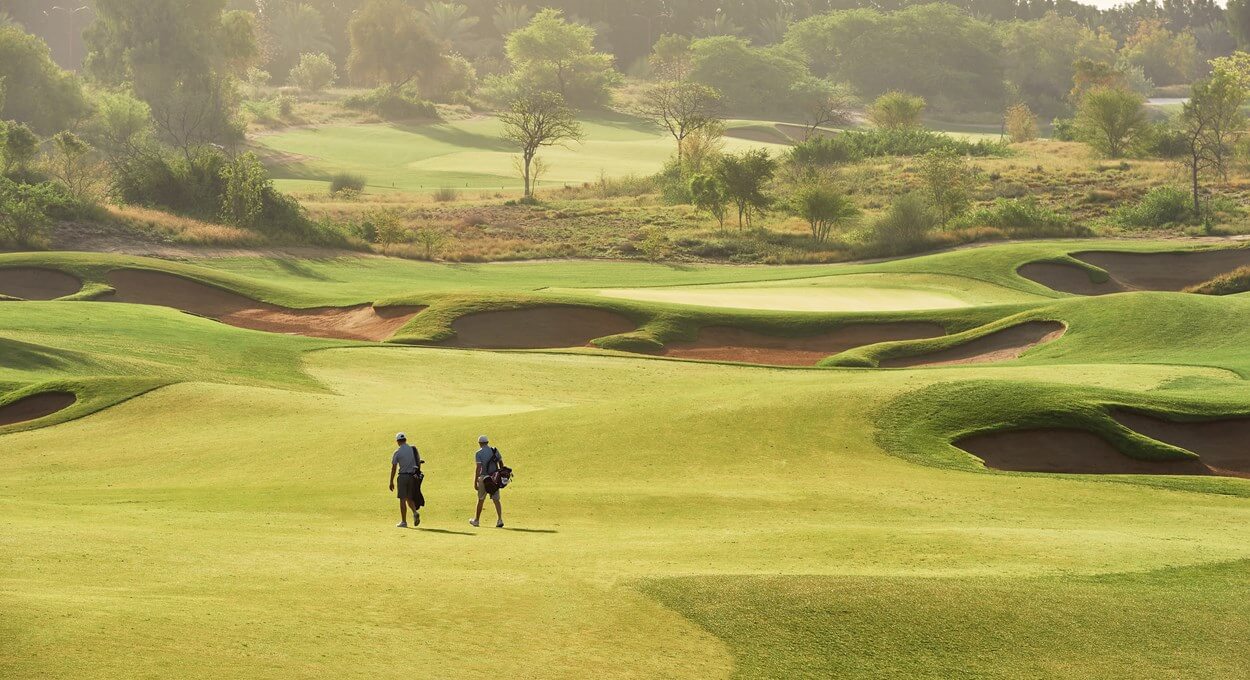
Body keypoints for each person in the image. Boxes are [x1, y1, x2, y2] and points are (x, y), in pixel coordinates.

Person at [388, 432, 423, 528]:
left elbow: (394, 468)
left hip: (403, 477)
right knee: (409, 498)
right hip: (412, 477)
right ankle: (415, 512)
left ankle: (404, 522)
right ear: (405, 440)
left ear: (397, 441)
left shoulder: (397, 452)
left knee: (402, 499)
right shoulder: (412, 449)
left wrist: (391, 481)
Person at [470, 434, 504, 528]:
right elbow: (501, 463)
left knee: (481, 499)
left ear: (479, 443)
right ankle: (499, 519)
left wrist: (475, 481)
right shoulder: (495, 450)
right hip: (494, 478)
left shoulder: (478, 453)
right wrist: (500, 476)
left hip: (483, 479)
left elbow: (479, 468)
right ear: (487, 442)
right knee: (496, 499)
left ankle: (476, 520)